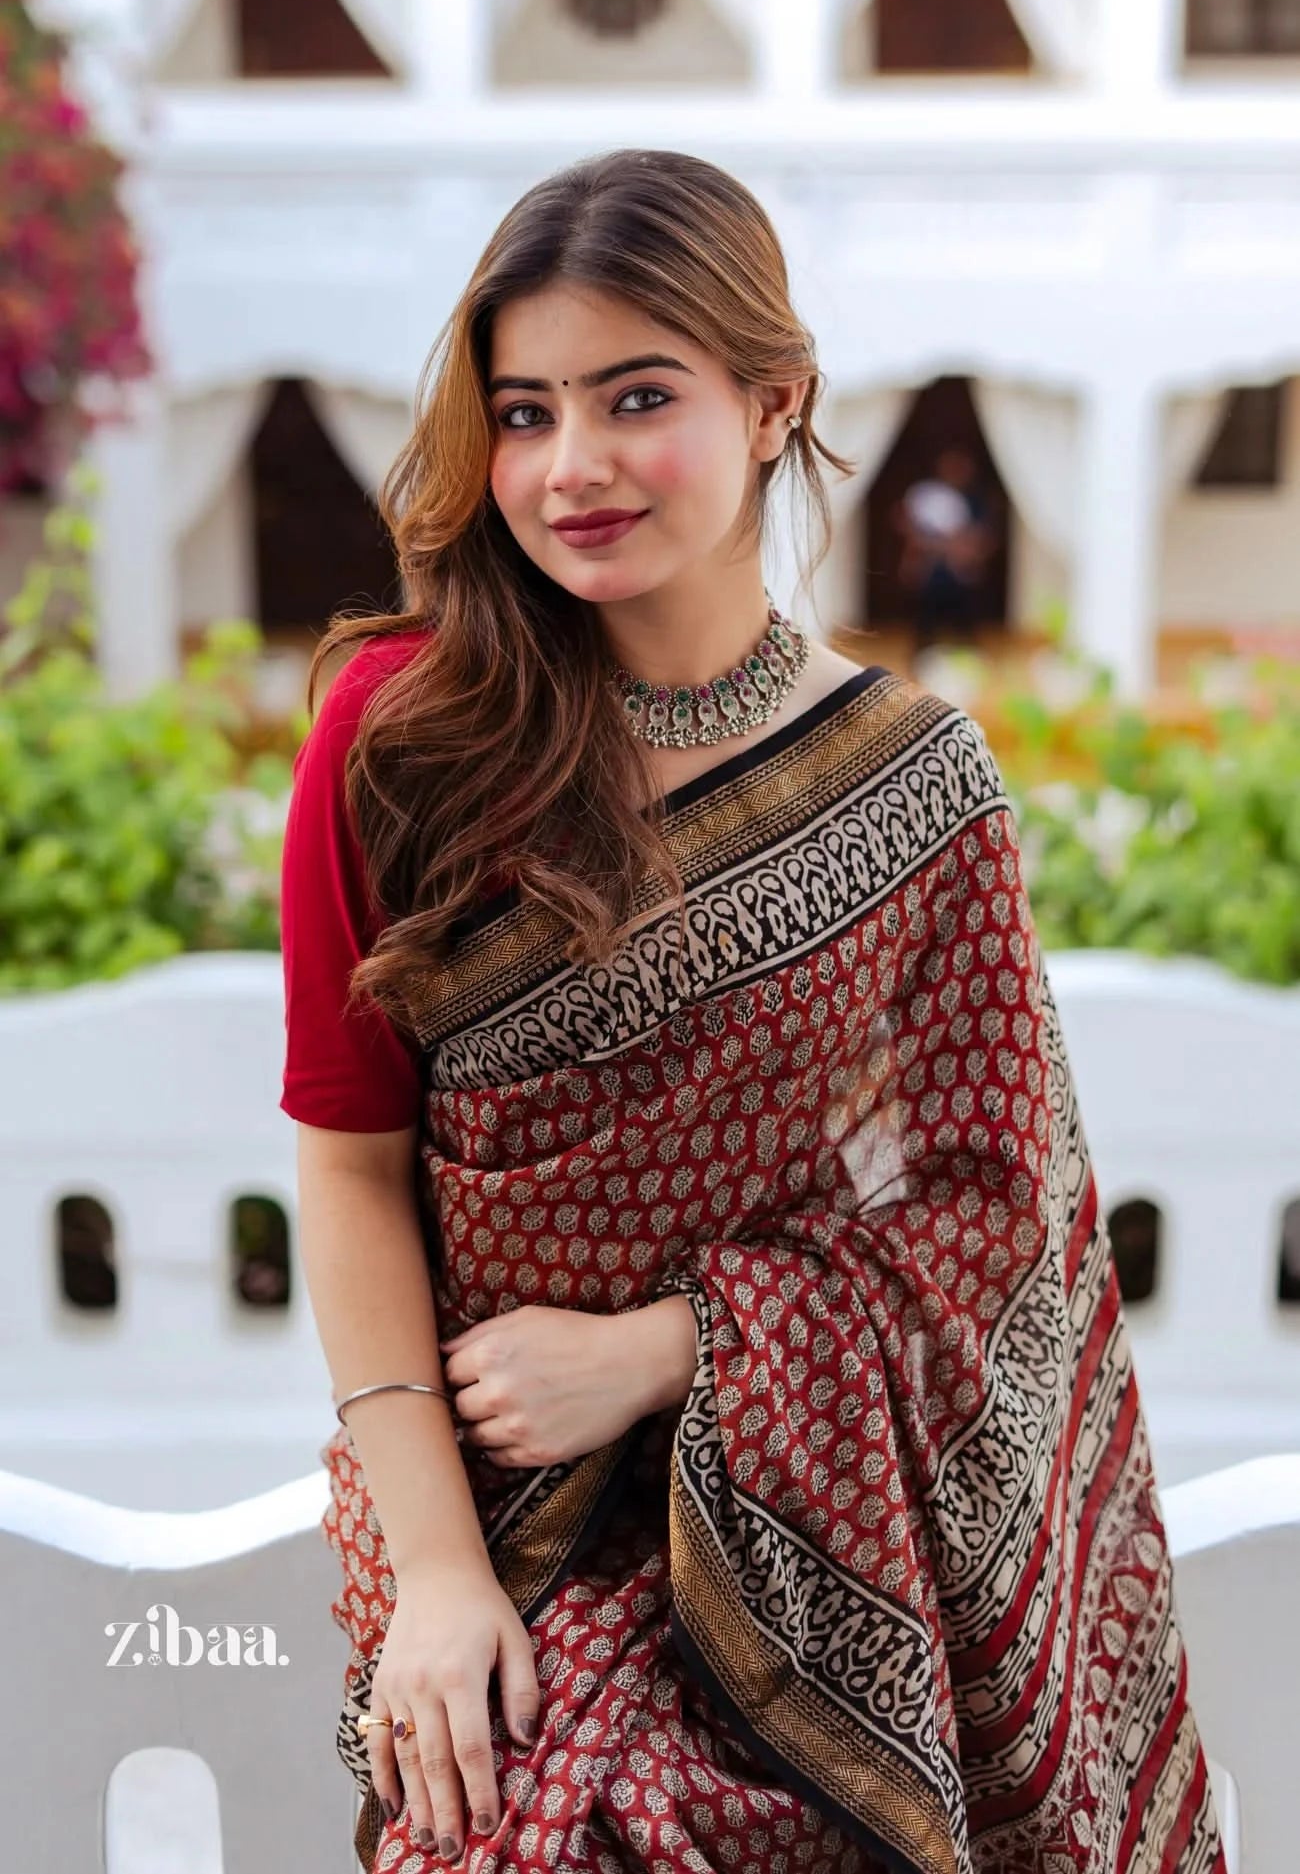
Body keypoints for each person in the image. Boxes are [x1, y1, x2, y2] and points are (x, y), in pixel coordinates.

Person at [279, 148, 1226, 1874]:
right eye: (526, 409)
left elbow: (992, 1215)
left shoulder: (915, 789)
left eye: (638, 397)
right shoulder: (400, 737)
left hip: (819, 1525)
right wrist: (432, 1570)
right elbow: (348, 1166)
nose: (571, 468)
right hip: (496, 1513)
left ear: (774, 395)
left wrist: (669, 1350)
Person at [894, 447, 996, 654]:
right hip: (931, 568)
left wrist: (969, 552)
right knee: (927, 620)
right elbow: (907, 525)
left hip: (961, 569)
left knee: (963, 621)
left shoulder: (976, 501)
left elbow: (984, 537)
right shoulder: (926, 494)